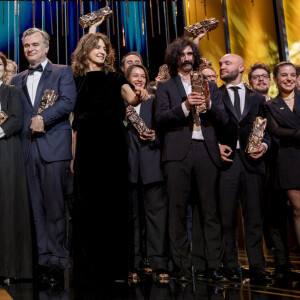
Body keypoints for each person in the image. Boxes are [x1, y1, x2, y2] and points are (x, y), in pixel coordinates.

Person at [71, 32, 148, 283]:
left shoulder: (115, 77)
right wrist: (72, 156)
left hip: (112, 143)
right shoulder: (76, 80)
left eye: (105, 48)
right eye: (97, 47)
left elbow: (131, 97)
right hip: (86, 145)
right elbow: (74, 123)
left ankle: (115, 268)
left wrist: (139, 95)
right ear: (86, 51)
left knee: (114, 203)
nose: (102, 51)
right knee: (88, 205)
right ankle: (88, 268)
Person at [155, 36, 229, 283]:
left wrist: (208, 102)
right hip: (177, 154)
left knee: (210, 211)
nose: (187, 59)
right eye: (182, 55)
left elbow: (224, 120)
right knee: (176, 211)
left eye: (190, 54)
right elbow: (161, 119)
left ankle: (211, 265)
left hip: (206, 151)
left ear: (195, 57)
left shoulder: (210, 85)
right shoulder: (166, 87)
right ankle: (182, 266)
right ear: (175, 58)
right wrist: (186, 105)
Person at [11, 28, 77, 283]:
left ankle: (58, 262)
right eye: (26, 45)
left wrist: (43, 119)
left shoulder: (63, 72)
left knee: (56, 208)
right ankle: (41, 260)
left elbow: (68, 102)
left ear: (46, 47)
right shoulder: (16, 80)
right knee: (35, 209)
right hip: (26, 150)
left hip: (54, 149)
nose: (30, 49)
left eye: (35, 45)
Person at [217, 54, 271, 283]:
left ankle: (257, 266)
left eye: (226, 63)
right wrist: (216, 145)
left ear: (240, 68)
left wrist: (265, 145)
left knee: (254, 218)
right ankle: (231, 266)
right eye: (220, 64)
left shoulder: (257, 98)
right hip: (226, 162)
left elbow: (267, 128)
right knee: (226, 217)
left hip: (252, 162)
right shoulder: (215, 95)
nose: (222, 66)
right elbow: (208, 128)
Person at [125, 64, 169, 283]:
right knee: (131, 219)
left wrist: (154, 138)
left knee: (156, 218)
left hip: (153, 168)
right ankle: (131, 263)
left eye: (143, 76)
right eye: (135, 76)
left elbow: (166, 135)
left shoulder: (155, 103)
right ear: (127, 80)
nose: (140, 79)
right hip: (128, 170)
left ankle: (159, 262)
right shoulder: (119, 105)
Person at [248, 62, 292, 277]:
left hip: (284, 163)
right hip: (259, 166)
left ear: (271, 79)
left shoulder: (279, 103)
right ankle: (277, 263)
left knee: (284, 214)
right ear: (250, 82)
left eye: (264, 76)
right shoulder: (248, 105)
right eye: (256, 77)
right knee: (268, 216)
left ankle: (285, 263)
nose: (261, 80)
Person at [0, 52, 33, 285]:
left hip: (6, 151)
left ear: (3, 70)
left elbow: (16, 120)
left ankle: (8, 266)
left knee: (7, 207)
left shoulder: (11, 91)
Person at [264, 61, 300, 250]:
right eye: (284, 75)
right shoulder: (270, 106)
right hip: (289, 160)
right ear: (275, 79)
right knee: (298, 210)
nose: (289, 79)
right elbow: (276, 130)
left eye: (292, 75)